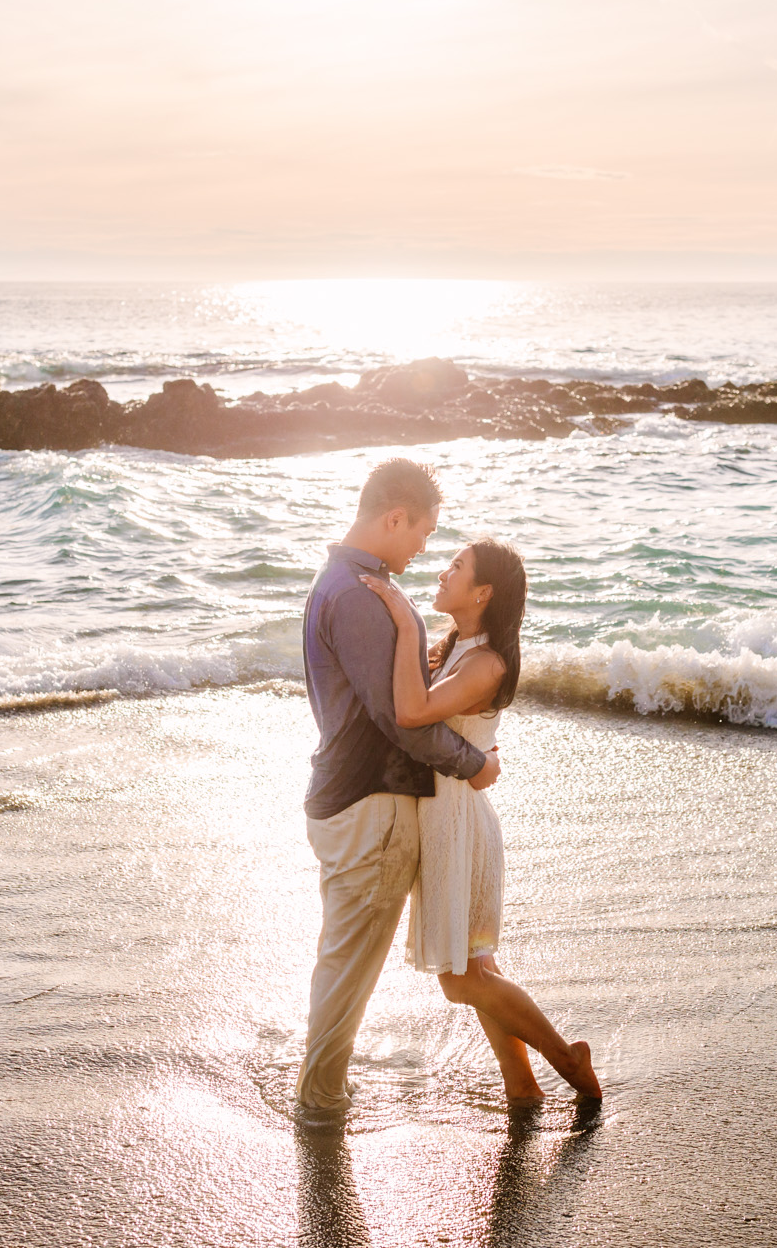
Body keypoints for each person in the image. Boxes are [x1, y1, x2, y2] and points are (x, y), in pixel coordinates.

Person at [360, 540, 602, 1106]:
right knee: (477, 970)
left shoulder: (487, 661)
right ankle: (521, 1085)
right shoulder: (458, 649)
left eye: (457, 568)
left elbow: (413, 713)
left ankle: (568, 1059)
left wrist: (404, 616)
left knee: (461, 979)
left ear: (483, 592)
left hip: (459, 823)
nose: (443, 572)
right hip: (446, 813)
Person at [296, 458, 500, 1115]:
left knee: (342, 956)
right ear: (393, 517)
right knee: (349, 965)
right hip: (372, 806)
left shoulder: (343, 583)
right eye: (420, 532)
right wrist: (475, 763)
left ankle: (323, 1085)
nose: (423, 548)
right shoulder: (361, 595)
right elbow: (400, 720)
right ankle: (321, 1101)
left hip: (348, 797)